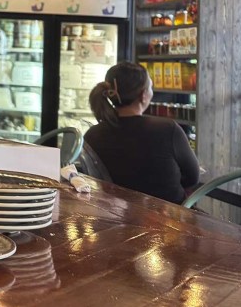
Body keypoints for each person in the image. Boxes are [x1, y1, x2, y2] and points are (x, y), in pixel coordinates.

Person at [84, 61, 199, 204]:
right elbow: (193, 177)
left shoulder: (92, 134)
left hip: (113, 217)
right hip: (167, 218)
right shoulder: (168, 130)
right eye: (150, 87)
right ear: (143, 95)